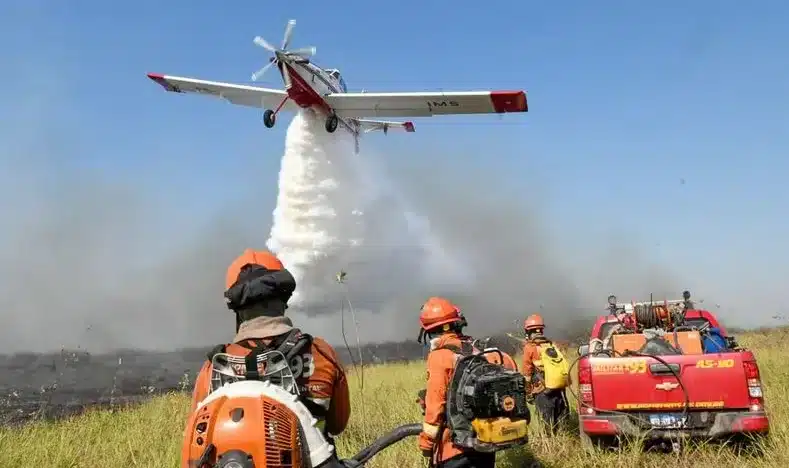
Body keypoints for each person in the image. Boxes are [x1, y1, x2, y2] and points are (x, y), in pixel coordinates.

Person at [187, 249, 351, 441]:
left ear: (237, 308)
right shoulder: (322, 354)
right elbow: (338, 425)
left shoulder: (214, 368)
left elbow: (197, 437)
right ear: (284, 299)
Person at [417, 296, 519, 468]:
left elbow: (435, 407)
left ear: (430, 332)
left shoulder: (439, 357)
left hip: (454, 449)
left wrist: (426, 444)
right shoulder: (477, 351)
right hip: (485, 443)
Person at [521, 313, 570, 435]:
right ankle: (562, 439)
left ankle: (549, 445)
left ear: (528, 332)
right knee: (560, 418)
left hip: (541, 390)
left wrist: (528, 392)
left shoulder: (530, 348)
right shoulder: (551, 344)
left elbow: (527, 372)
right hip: (558, 388)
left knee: (546, 422)